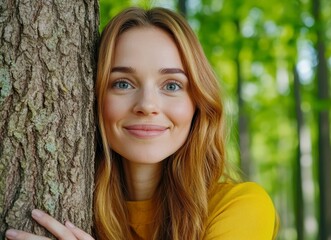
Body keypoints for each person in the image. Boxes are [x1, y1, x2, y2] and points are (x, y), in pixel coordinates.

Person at [6, 7, 278, 240]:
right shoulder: (74, 207)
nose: (147, 105)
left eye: (172, 85)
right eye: (122, 83)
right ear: (93, 97)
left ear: (198, 103)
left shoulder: (241, 206)